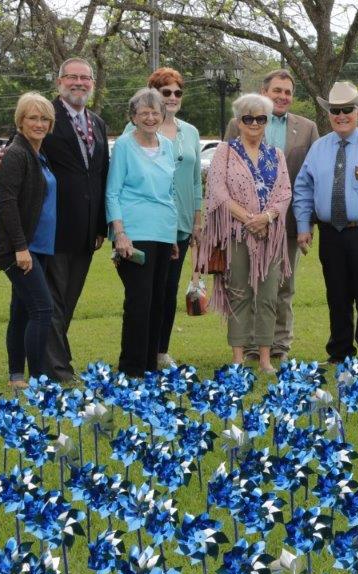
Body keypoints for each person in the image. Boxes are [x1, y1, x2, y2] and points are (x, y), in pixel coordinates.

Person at [0, 57, 109, 382]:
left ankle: (26, 371)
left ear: (92, 84)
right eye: (72, 77)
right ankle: (53, 370)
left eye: (85, 78)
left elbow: (100, 176)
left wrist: (101, 225)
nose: (79, 83)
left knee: (57, 305)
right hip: (49, 234)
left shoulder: (97, 124)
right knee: (47, 306)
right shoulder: (42, 119)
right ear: (60, 82)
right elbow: (8, 166)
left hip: (84, 232)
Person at [293, 81, 358, 368]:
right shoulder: (318, 149)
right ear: (329, 114)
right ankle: (340, 352)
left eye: (346, 110)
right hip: (330, 233)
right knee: (336, 295)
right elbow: (303, 189)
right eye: (335, 111)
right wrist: (303, 225)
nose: (341, 116)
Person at [225, 69, 319, 362]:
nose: (283, 96)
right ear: (264, 92)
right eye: (277, 90)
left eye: (288, 92)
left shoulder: (307, 128)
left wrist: (307, 224)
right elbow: (227, 170)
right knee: (246, 284)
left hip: (287, 222)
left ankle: (279, 345)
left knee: (282, 287)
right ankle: (251, 345)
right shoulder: (238, 122)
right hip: (244, 222)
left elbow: (312, 179)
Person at [201, 93, 292, 373]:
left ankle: (265, 359)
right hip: (236, 235)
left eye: (260, 118)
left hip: (269, 236)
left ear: (267, 122)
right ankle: (238, 357)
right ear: (238, 121)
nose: (254, 123)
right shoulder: (225, 152)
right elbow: (217, 192)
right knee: (238, 293)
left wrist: (266, 218)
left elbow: (284, 192)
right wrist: (248, 218)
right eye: (248, 118)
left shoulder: (275, 155)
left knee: (268, 297)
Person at [133, 68, 203, 368]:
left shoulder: (191, 132)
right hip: (147, 224)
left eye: (177, 92)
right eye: (166, 92)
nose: (172, 97)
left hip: (182, 224)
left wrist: (198, 218)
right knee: (144, 292)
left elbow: (197, 179)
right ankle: (140, 352)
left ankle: (161, 351)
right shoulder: (136, 131)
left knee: (168, 290)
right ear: (152, 95)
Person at [106, 88, 178, 377]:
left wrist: (172, 236)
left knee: (158, 300)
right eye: (144, 112)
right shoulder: (124, 145)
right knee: (139, 300)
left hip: (163, 231)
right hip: (134, 233)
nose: (150, 117)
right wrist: (120, 233)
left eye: (155, 111)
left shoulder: (168, 146)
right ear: (133, 117)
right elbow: (112, 193)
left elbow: (170, 192)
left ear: (163, 115)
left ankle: (150, 366)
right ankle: (131, 367)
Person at [0, 93, 57, 390]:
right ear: (20, 120)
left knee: (21, 311)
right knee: (43, 310)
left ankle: (16, 376)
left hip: (38, 245)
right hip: (20, 248)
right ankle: (38, 379)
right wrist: (20, 247)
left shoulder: (38, 153)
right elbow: (6, 203)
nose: (39, 124)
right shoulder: (16, 153)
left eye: (44, 118)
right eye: (33, 118)